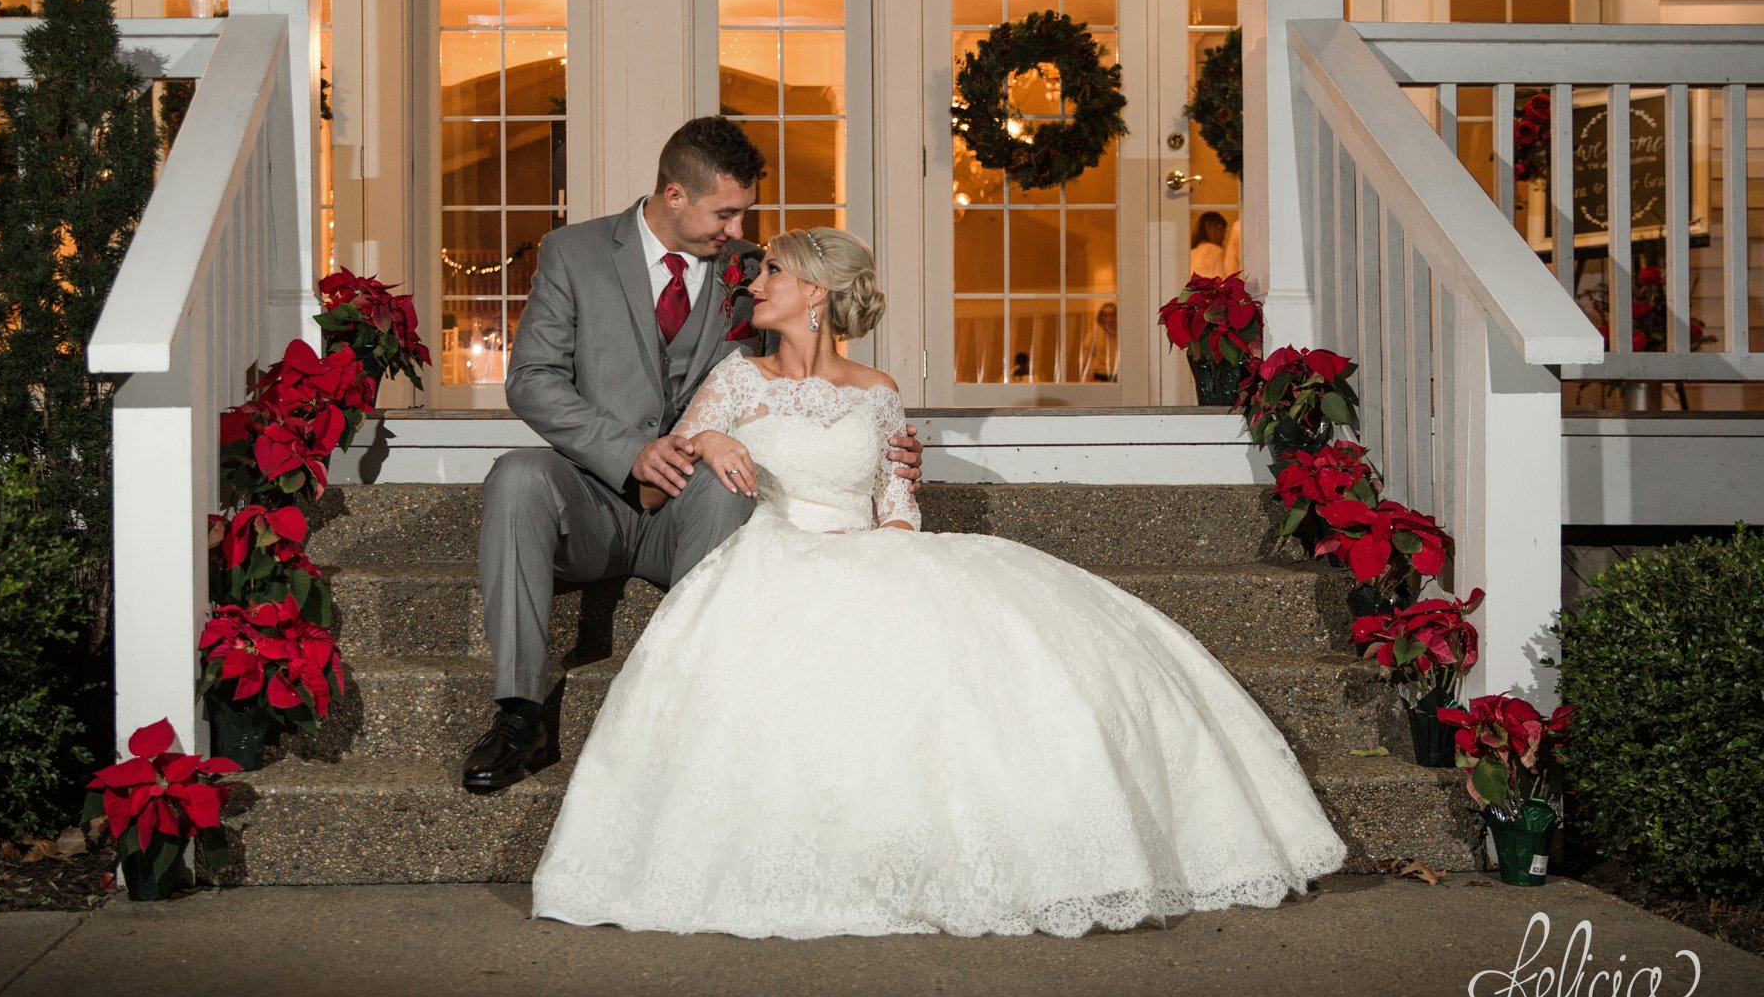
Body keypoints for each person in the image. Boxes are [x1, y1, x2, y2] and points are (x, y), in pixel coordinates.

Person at [530, 227, 1346, 938]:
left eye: (772, 271)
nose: (754, 283)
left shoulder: (879, 393)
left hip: (870, 551)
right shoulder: (738, 378)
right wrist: (708, 444)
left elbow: (895, 502)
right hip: (772, 555)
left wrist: (887, 549)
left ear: (814, 291)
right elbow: (666, 462)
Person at [464, 117, 923, 793]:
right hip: (593, 493)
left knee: (732, 478)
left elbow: (806, 379)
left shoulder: (750, 271)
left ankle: (695, 706)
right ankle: (519, 712)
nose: (738, 230)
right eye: (726, 211)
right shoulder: (574, 253)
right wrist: (629, 450)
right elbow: (531, 379)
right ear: (675, 195)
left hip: (693, 504)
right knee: (517, 476)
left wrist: (884, 445)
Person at [1190, 210, 1230, 279]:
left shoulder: (1192, 253)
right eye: (1224, 232)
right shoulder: (1216, 251)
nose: (1224, 237)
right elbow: (1220, 281)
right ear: (1218, 228)